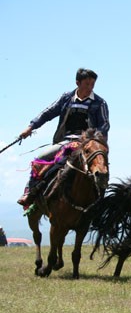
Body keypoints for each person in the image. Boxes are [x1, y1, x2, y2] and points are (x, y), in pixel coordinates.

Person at [17, 68, 110, 208]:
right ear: (77, 83)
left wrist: (92, 141)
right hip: (65, 142)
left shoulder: (100, 103)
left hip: (89, 144)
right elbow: (48, 113)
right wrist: (31, 127)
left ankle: (100, 205)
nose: (90, 88)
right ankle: (30, 192)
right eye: (87, 84)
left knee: (101, 167)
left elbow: (104, 125)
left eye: (92, 85)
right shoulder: (66, 98)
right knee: (41, 157)